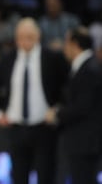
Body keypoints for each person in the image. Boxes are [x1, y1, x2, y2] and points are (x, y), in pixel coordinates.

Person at [0, 17, 69, 184]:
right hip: (16, 127)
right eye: (21, 37)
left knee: (46, 175)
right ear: (16, 38)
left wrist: (58, 109)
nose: (25, 41)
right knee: (18, 176)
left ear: (38, 36)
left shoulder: (52, 58)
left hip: (44, 127)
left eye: (29, 37)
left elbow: (67, 86)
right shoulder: (8, 59)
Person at [45, 27, 102, 184]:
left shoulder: (89, 69)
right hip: (82, 140)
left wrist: (57, 114)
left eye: (66, 42)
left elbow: (83, 106)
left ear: (74, 44)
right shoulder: (86, 66)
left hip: (86, 142)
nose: (64, 47)